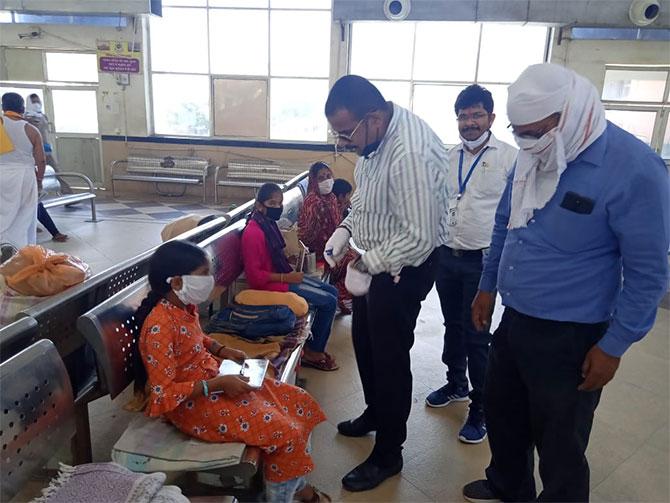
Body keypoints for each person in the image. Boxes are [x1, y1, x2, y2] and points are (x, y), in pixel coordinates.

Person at [463, 64, 669, 503]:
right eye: (520, 134)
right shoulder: (536, 150)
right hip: (516, 320)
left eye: (536, 132)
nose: (527, 143)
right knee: (504, 417)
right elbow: (505, 223)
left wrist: (613, 347)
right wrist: (487, 285)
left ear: (569, 115)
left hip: (572, 336)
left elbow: (648, 274)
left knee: (560, 442)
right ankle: (508, 485)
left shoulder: (635, 169)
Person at [323, 75, 450, 492]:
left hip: (403, 268)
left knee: (390, 357)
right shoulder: (374, 141)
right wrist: (344, 229)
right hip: (373, 261)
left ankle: (389, 452)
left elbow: (419, 237)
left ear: (373, 117)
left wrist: (366, 263)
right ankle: (376, 412)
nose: (345, 143)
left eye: (347, 133)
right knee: (365, 343)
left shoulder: (409, 152)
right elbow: (363, 200)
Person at [135, 240, 330, 503]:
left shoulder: (182, 308)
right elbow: (163, 394)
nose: (210, 279)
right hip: (192, 405)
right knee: (286, 434)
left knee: (298, 402)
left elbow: (196, 338)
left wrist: (223, 350)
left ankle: (295, 488)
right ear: (177, 282)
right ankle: (289, 495)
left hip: (215, 378)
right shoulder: (159, 327)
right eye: (203, 273)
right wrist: (218, 384)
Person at [425, 85, 518, 445]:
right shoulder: (448, 158)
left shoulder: (511, 159)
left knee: (477, 335)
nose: (469, 122)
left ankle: (481, 407)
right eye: (463, 116)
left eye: (477, 115)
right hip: (448, 256)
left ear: (491, 118)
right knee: (453, 326)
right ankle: (456, 383)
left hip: (483, 261)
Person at [241, 183, 339, 372]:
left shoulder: (268, 224)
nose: (277, 208)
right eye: (272, 203)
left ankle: (314, 344)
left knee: (332, 291)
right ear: (260, 205)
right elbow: (255, 278)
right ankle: (313, 351)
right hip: (271, 285)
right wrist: (287, 277)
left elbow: (273, 255)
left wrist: (290, 263)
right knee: (328, 302)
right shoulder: (253, 232)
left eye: (279, 203)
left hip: (282, 277)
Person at [0, 92, 45, 248]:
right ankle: (21, 249)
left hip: (1, 174)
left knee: (2, 212)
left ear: (3, 106)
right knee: (25, 213)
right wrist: (40, 180)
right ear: (22, 107)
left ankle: (3, 245)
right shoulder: (30, 129)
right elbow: (41, 159)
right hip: (25, 175)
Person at [297, 162, 340, 259]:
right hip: (316, 253)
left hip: (334, 246)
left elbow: (336, 223)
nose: (327, 180)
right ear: (313, 181)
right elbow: (308, 234)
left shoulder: (332, 197)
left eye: (328, 176)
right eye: (321, 178)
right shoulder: (312, 201)